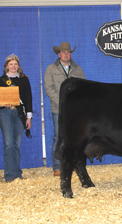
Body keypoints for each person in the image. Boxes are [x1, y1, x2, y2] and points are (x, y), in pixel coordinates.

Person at [44, 42, 85, 177]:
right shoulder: (51, 69)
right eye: (64, 52)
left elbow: (83, 87)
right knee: (58, 136)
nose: (66, 54)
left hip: (75, 111)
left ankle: (71, 165)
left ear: (71, 54)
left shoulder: (77, 69)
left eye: (69, 52)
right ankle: (57, 167)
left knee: (73, 138)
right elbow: (49, 88)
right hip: (58, 109)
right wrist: (62, 102)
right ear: (59, 54)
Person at [0, 54, 33, 183]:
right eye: (11, 64)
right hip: (6, 113)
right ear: (6, 66)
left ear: (18, 66)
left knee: (17, 144)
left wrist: (29, 117)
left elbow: (28, 99)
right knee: (9, 144)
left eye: (15, 64)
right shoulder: (1, 80)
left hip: (20, 113)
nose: (13, 66)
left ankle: (17, 172)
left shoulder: (24, 80)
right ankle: (9, 174)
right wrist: (4, 102)